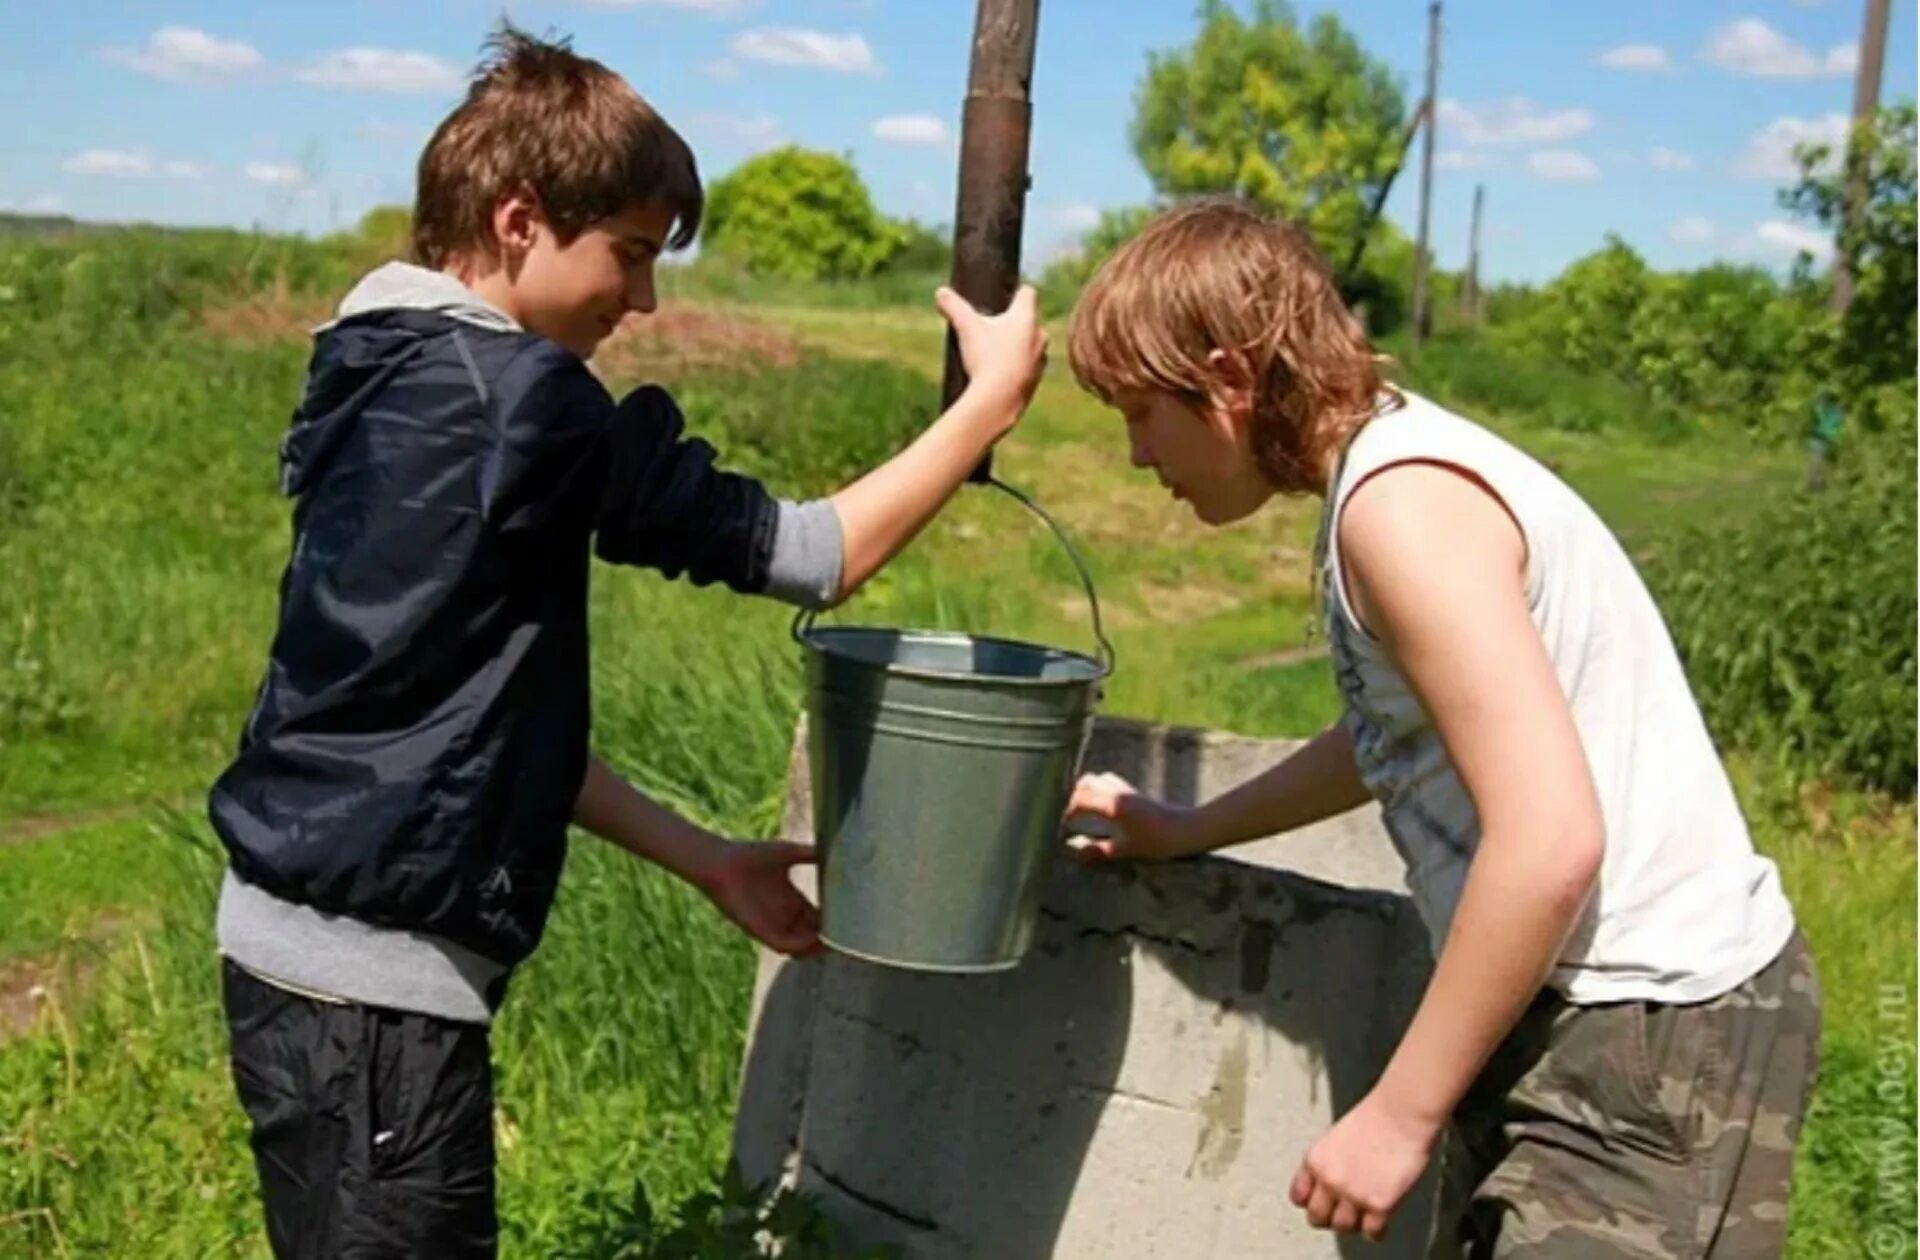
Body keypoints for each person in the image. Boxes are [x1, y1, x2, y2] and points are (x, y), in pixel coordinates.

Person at [206, 25, 1046, 1257]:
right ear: (517, 218)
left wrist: (705, 857)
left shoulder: (372, 363)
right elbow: (814, 556)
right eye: (633, 254)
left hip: (295, 963)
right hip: (377, 1006)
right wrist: (985, 407)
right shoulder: (521, 403)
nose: (645, 299)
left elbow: (467, 720)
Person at [1061, 198, 1818, 1258]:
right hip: (1588, 1015)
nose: (1139, 454)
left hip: (1650, 1027)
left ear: (1229, 380)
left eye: (1140, 413)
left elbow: (1552, 839)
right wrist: (1189, 828)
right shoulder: (1386, 476)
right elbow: (1390, 738)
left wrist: (1400, 1112)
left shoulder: (1401, 509)